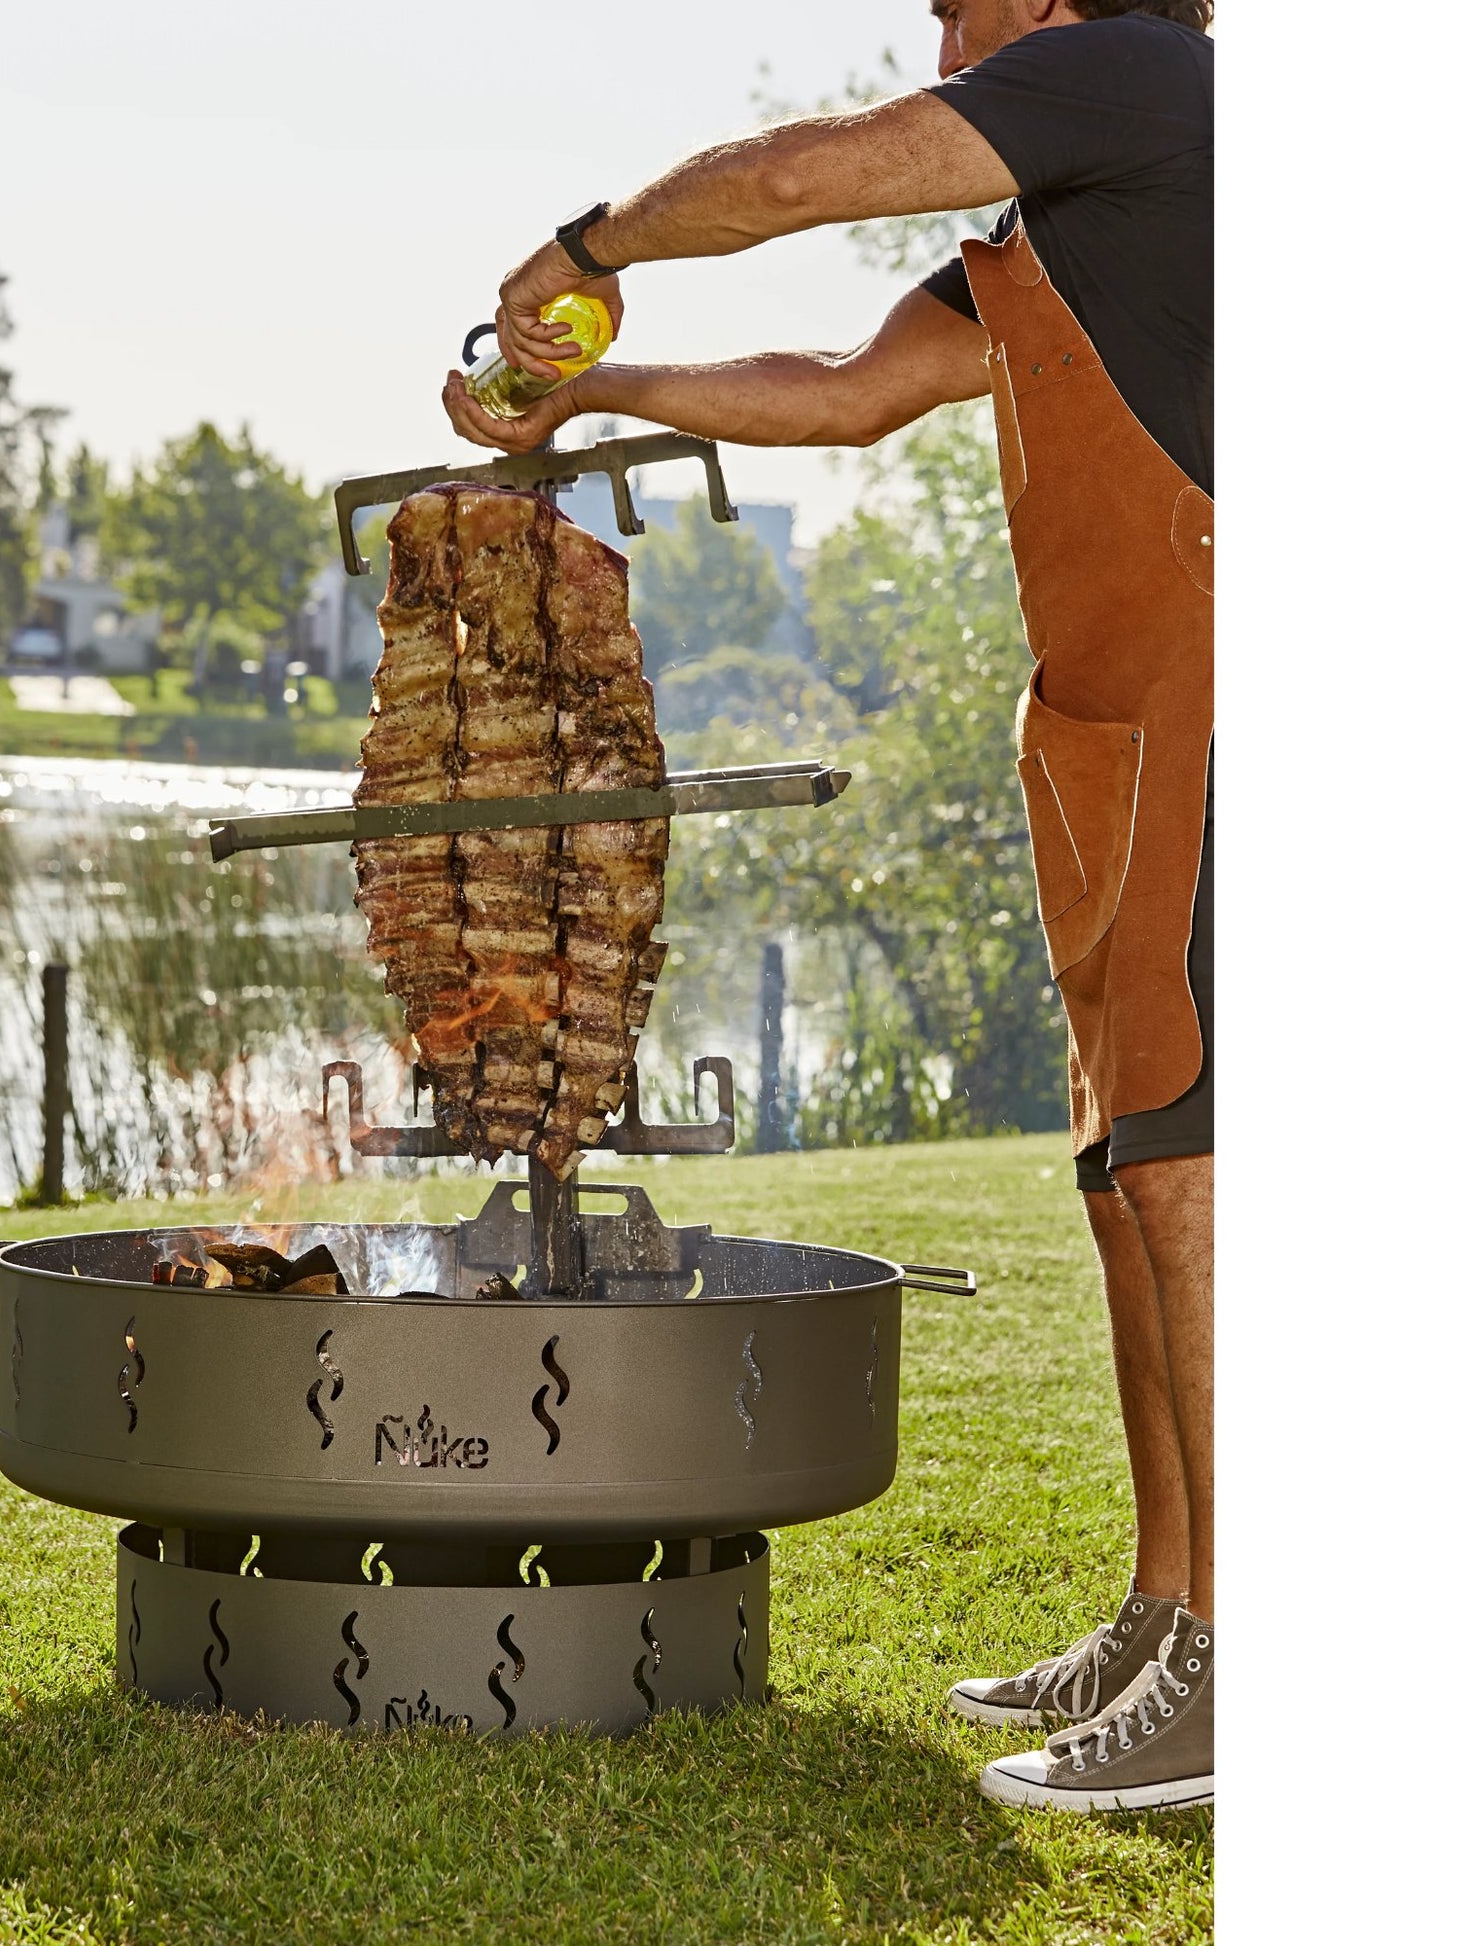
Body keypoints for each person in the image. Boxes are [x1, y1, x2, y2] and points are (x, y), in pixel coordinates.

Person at [442, 0, 1213, 1814]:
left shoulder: (1132, 75)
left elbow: (792, 178)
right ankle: (1171, 1606)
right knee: (1126, 1169)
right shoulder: (1040, 222)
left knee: (1193, 1161)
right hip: (1100, 712)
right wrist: (594, 393)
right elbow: (847, 395)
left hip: (1217, 679)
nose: (933, 23)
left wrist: (581, 252)